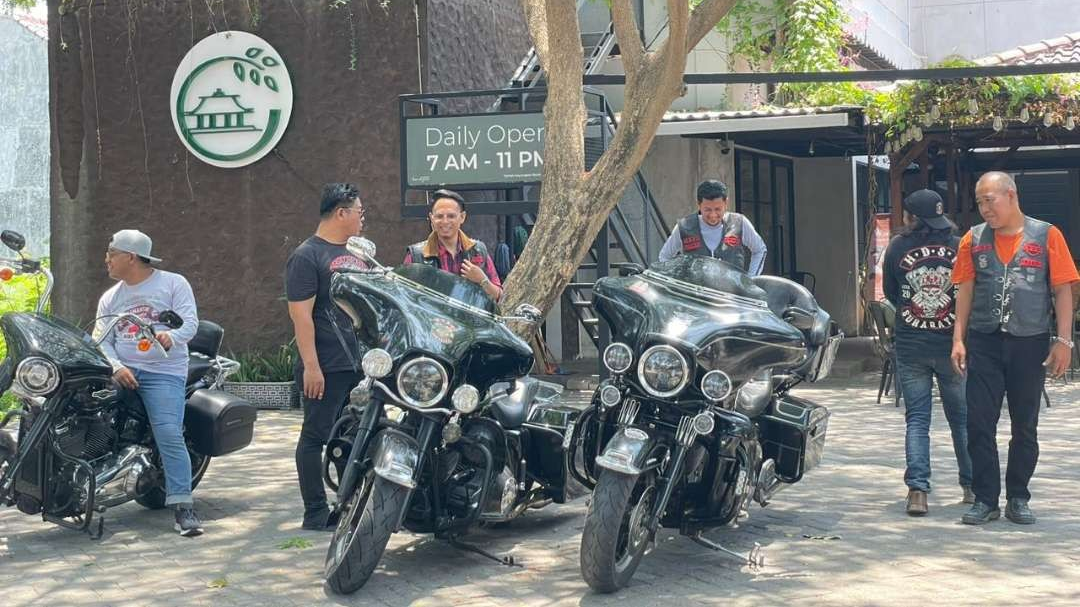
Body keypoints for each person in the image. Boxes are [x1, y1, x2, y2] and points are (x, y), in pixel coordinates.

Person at [951, 171, 1079, 525]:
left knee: (1025, 425)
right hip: (985, 340)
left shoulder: (1047, 234)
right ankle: (985, 498)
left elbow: (1063, 290)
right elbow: (965, 290)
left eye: (989, 200)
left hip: (1029, 342)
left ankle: (1019, 496)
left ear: (1011, 195)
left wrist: (1064, 340)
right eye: (979, 202)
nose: (984, 209)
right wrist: (958, 338)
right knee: (978, 422)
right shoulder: (972, 239)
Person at [94, 229, 202, 536]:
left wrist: (172, 336)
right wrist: (115, 366)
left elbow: (190, 323)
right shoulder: (110, 297)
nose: (107, 259)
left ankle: (183, 507)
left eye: (111, 253)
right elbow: (101, 339)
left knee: (168, 432)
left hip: (163, 372)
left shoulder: (172, 283)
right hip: (124, 371)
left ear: (130, 257)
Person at [882, 190, 972, 516]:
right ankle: (971, 486)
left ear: (910, 218)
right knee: (962, 421)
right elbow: (970, 291)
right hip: (953, 344)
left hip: (911, 345)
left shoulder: (896, 247)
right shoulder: (960, 244)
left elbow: (892, 293)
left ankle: (917, 491)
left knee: (917, 421)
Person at [285, 183, 367, 531]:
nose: (363, 219)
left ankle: (352, 504)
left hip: (361, 365)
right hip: (326, 365)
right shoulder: (306, 256)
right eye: (360, 212)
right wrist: (312, 367)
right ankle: (315, 512)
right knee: (314, 437)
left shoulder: (358, 254)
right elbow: (300, 316)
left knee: (357, 436)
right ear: (341, 213)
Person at [403, 189, 503, 300]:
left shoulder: (478, 250)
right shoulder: (416, 255)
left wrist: (482, 280)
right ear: (432, 218)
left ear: (462, 217)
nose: (445, 221)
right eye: (439, 216)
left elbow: (498, 296)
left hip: (470, 317)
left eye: (451, 216)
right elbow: (405, 298)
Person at [657, 179, 768, 275]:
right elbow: (664, 257)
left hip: (732, 296)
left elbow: (759, 249)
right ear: (699, 205)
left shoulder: (739, 223)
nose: (713, 215)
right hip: (696, 296)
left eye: (718, 209)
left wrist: (751, 279)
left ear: (726, 203)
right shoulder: (685, 227)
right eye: (707, 210)